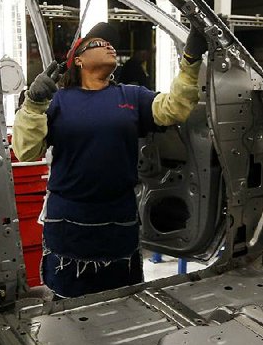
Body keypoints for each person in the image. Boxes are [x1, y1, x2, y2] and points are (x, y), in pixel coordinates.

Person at [11, 21, 208, 298]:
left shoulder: (131, 95)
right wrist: (33, 102)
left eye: (111, 44)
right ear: (78, 60)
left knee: (122, 301)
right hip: (70, 220)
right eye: (98, 44)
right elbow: (26, 150)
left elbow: (174, 109)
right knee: (69, 306)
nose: (108, 46)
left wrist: (191, 60)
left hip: (118, 218)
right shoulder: (58, 101)